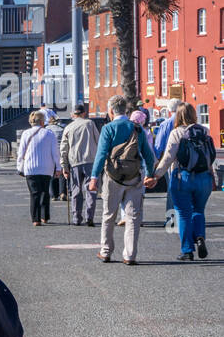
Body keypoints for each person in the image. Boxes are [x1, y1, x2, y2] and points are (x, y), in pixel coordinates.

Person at [89, 95, 158, 265]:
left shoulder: (108, 128)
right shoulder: (137, 128)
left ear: (111, 110)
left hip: (113, 177)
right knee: (133, 216)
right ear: (126, 110)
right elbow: (148, 155)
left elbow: (101, 155)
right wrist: (150, 174)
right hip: (134, 176)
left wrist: (94, 177)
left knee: (109, 215)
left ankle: (106, 251)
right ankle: (130, 255)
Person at [151, 100, 217, 260]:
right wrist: (213, 177)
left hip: (183, 177)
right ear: (194, 115)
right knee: (198, 210)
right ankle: (200, 236)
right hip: (204, 177)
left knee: (183, 213)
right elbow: (210, 156)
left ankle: (187, 250)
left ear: (177, 116)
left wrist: (156, 175)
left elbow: (168, 157)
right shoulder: (204, 131)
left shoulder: (177, 133)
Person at [17, 110, 61, 226]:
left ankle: (35, 219)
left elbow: (21, 153)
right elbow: (55, 153)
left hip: (30, 168)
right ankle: (45, 217)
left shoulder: (26, 134)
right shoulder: (49, 134)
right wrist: (58, 167)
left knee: (34, 193)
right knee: (45, 192)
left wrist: (19, 167)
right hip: (47, 167)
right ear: (42, 122)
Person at [60, 102, 98, 226]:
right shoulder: (90, 124)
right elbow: (98, 141)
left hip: (74, 161)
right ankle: (89, 217)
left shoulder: (68, 127)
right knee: (90, 189)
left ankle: (76, 217)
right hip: (90, 160)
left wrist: (64, 166)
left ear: (74, 114)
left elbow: (64, 149)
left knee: (76, 190)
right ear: (84, 113)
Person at [153, 107, 177, 225]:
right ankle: (183, 217)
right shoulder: (188, 125)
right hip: (186, 161)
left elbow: (159, 144)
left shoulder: (166, 124)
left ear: (169, 110)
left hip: (169, 161)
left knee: (171, 189)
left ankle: (170, 218)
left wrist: (156, 160)